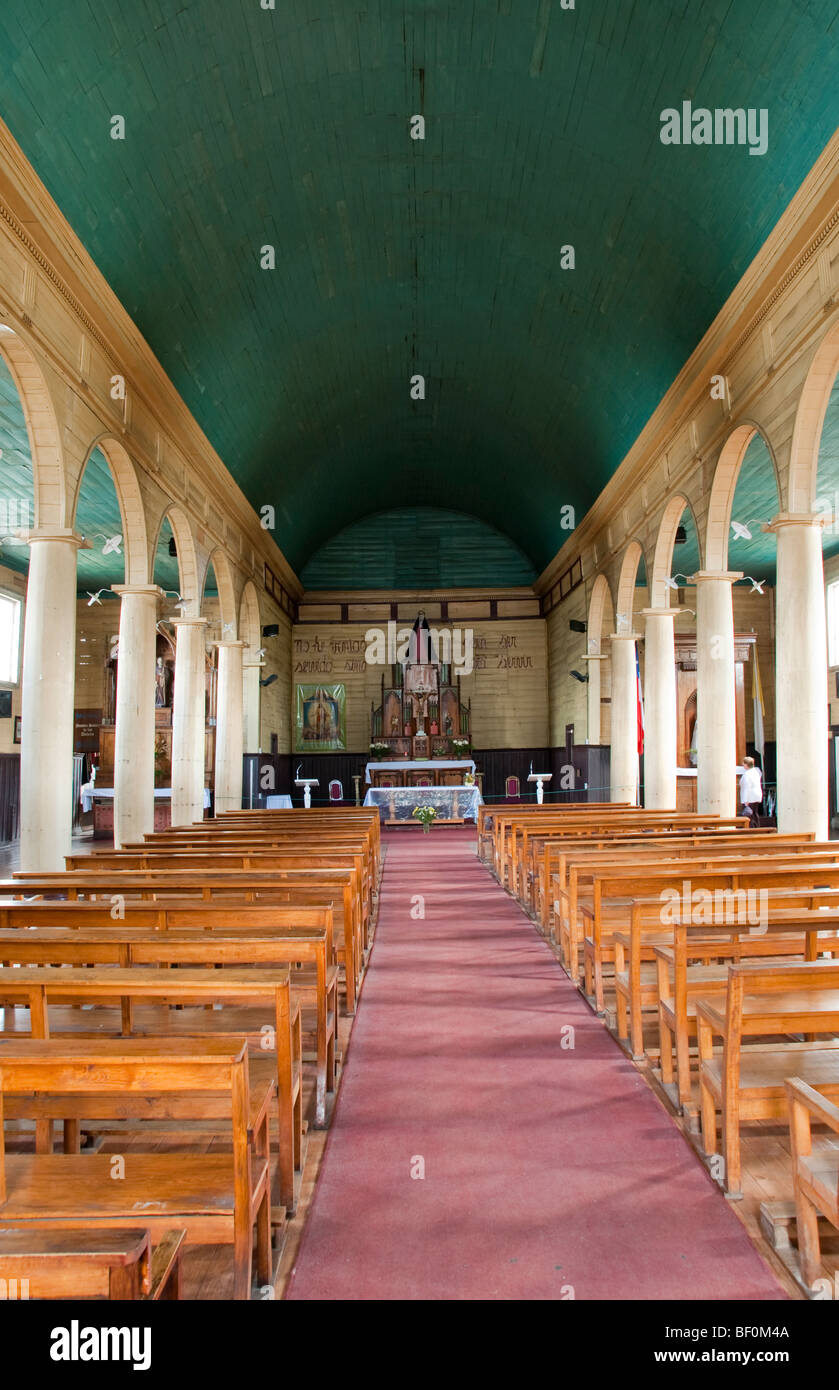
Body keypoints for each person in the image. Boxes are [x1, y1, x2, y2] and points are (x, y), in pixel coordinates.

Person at [738, 755, 763, 828]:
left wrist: (746, 800)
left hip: (750, 797)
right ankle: (757, 828)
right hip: (756, 796)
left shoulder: (747, 774)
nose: (743, 765)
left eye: (743, 763)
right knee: (755, 814)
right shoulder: (756, 772)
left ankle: (751, 829)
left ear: (746, 764)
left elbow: (746, 787)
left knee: (749, 815)